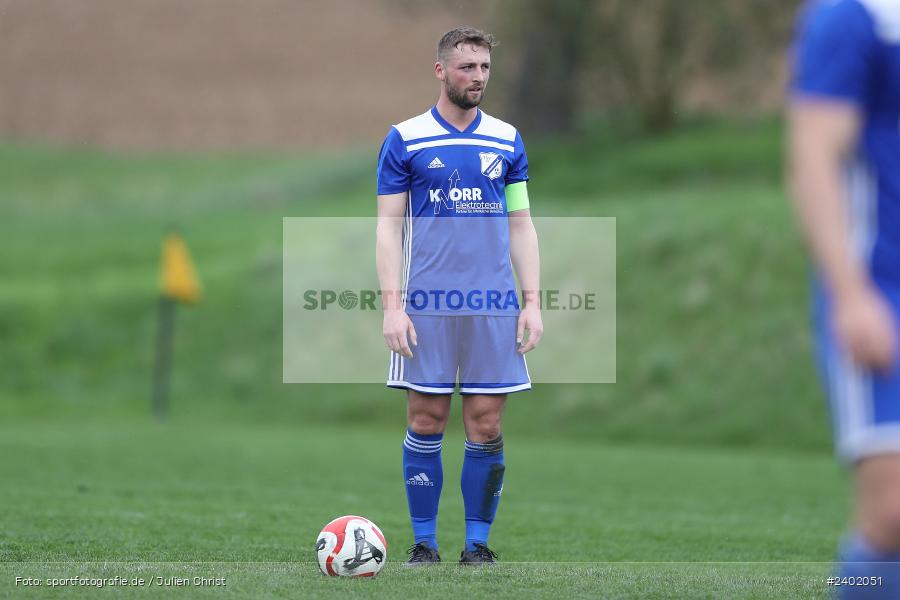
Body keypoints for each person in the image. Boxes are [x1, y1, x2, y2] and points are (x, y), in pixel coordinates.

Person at [375, 26, 542, 566]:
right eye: (467, 67)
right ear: (441, 71)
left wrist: (532, 300)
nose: (477, 78)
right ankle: (423, 543)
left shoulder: (507, 139)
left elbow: (521, 224)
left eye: (485, 68)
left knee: (487, 423)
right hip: (426, 305)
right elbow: (387, 228)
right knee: (425, 419)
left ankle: (477, 546)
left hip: (493, 306)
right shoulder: (405, 139)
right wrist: (392, 307)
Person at [788, 1, 900, 596]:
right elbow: (814, 156)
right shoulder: (855, 15)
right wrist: (849, 294)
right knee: (893, 512)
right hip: (882, 287)